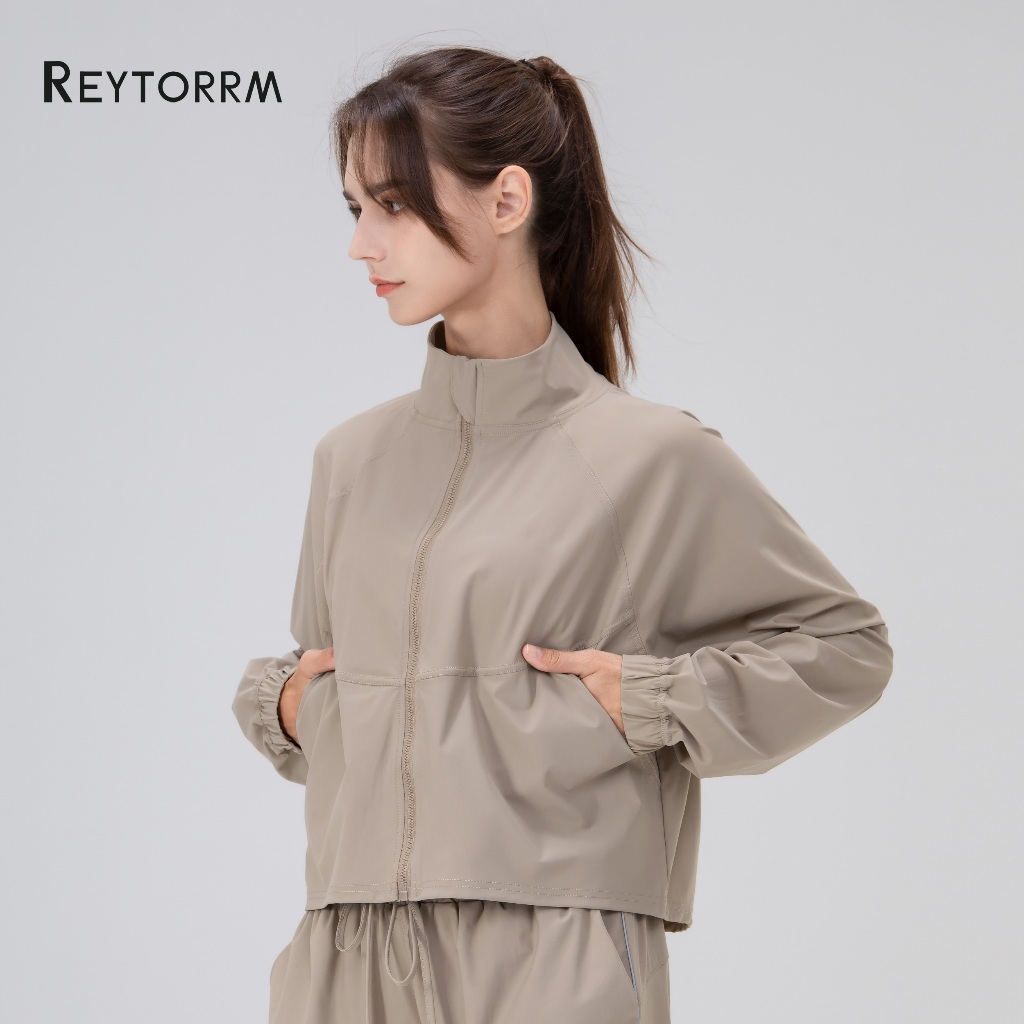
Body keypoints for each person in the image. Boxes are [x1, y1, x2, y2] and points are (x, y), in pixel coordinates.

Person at [231, 45, 894, 1024]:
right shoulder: (350, 461)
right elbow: (333, 671)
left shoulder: (645, 457)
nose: (362, 244)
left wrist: (654, 701)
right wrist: (292, 706)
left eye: (394, 205)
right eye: (355, 208)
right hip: (347, 950)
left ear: (507, 200)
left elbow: (846, 647)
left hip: (555, 948)